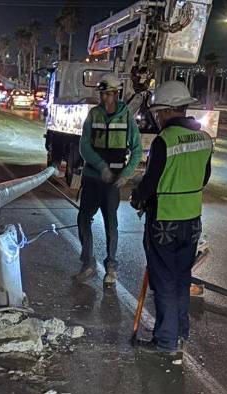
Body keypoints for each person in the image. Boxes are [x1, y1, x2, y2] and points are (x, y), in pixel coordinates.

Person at [129, 81, 213, 354]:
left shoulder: (164, 141)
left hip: (164, 220)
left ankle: (165, 341)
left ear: (165, 111)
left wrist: (138, 197)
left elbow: (151, 181)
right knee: (181, 277)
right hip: (192, 221)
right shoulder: (204, 139)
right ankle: (179, 332)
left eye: (158, 112)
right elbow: (204, 177)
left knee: (163, 280)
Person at [76, 77, 143, 288]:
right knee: (83, 218)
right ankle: (88, 262)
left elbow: (137, 149)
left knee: (111, 223)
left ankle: (111, 266)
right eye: (102, 94)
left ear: (116, 94)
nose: (104, 98)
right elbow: (84, 146)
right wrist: (101, 166)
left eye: (108, 94)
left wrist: (126, 174)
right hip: (92, 178)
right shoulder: (94, 114)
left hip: (112, 183)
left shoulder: (126, 118)